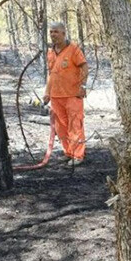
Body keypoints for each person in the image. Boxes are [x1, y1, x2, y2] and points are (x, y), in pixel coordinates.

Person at [42, 22, 89, 165]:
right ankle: (68, 152)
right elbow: (51, 74)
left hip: (73, 95)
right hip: (56, 96)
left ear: (63, 33)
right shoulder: (50, 52)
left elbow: (84, 67)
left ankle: (77, 155)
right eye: (51, 32)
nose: (53, 35)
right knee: (60, 127)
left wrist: (83, 85)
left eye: (56, 32)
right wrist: (47, 93)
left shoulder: (73, 49)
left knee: (75, 125)